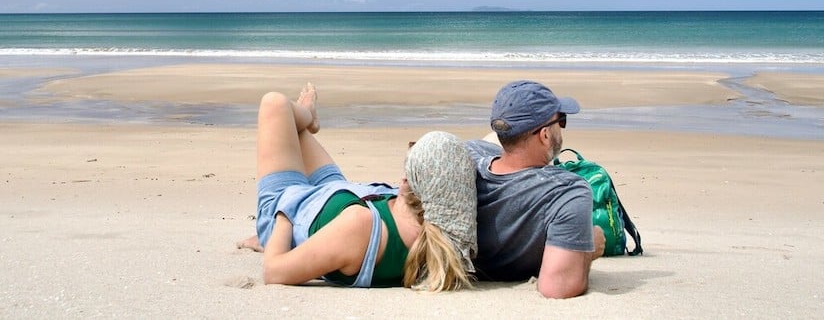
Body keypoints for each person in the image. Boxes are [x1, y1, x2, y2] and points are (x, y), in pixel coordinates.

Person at [242, 83, 476, 291]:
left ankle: (307, 114)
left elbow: (273, 272)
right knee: (293, 127)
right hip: (338, 193)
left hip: (291, 203)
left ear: (408, 182)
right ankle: (306, 116)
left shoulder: (361, 227)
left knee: (275, 104)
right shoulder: (439, 234)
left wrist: (283, 219)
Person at [465, 80, 606, 298]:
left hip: (496, 159)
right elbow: (557, 287)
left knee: (488, 143)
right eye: (561, 121)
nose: (562, 127)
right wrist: (590, 250)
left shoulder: (467, 157)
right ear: (545, 135)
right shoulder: (567, 191)